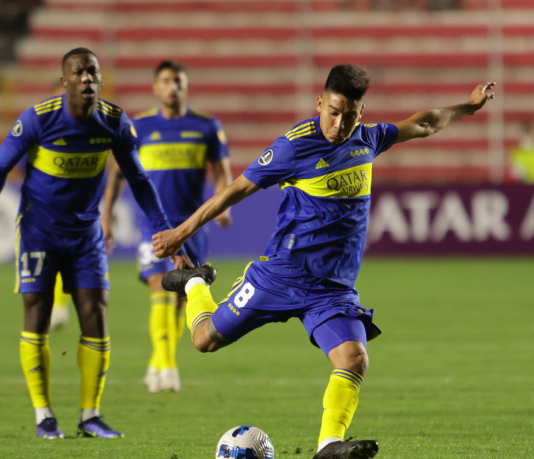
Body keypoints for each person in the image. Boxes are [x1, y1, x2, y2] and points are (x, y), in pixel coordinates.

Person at [152, 64, 495, 458]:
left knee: (354, 357)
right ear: (320, 103)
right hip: (281, 275)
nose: (340, 123)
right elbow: (236, 189)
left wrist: (468, 107)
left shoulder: (368, 139)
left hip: (332, 289)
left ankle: (329, 444)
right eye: (333, 112)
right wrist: (181, 233)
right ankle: (195, 282)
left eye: (350, 115)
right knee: (203, 340)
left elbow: (427, 123)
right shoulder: (294, 146)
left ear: (361, 112)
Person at [0, 47, 189, 440]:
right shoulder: (38, 120)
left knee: (95, 313)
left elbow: (139, 181)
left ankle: (90, 415)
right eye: (79, 73)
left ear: (101, 81)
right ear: (64, 82)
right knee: (36, 314)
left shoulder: (114, 122)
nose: (87, 78)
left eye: (93, 72)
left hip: (86, 234)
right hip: (39, 231)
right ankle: (44, 416)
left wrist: (166, 234)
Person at [102, 60, 233, 393]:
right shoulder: (139, 126)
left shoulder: (205, 126)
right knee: (159, 287)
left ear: (186, 86)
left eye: (178, 81)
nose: (173, 86)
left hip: (192, 226)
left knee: (180, 298)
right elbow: (117, 173)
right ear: (155, 88)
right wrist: (106, 215)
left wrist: (223, 205)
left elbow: (221, 171)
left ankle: (159, 360)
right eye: (166, 81)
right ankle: (168, 366)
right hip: (153, 224)